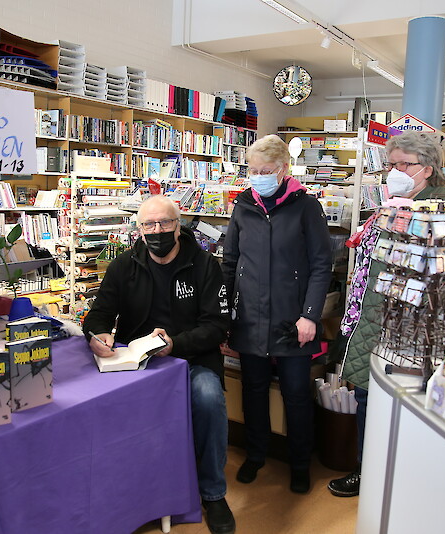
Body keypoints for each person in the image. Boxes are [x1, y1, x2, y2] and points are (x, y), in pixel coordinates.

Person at [82, 195, 235, 534]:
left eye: (165, 223)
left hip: (192, 359)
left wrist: (176, 344)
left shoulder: (205, 266)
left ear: (178, 226)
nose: (157, 230)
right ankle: (127, 488)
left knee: (208, 399)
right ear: (138, 229)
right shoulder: (125, 265)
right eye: (149, 224)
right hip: (137, 362)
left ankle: (212, 493)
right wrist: (97, 333)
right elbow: (98, 314)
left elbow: (217, 326)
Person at [328, 131, 445, 498]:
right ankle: (365, 471)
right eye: (392, 164)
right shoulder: (392, 202)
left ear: (428, 168)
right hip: (373, 318)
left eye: (405, 164)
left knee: (405, 403)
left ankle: (398, 479)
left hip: (412, 328)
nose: (396, 171)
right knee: (367, 398)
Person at [222, 134, 332, 494]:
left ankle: (300, 463)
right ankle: (256, 455)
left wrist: (310, 315)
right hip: (250, 318)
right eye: (252, 170)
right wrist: (225, 312)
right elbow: (230, 261)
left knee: (296, 393)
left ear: (283, 170)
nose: (258, 177)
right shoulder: (243, 205)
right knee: (253, 390)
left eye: (265, 170)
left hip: (292, 321)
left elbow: (321, 265)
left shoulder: (306, 206)